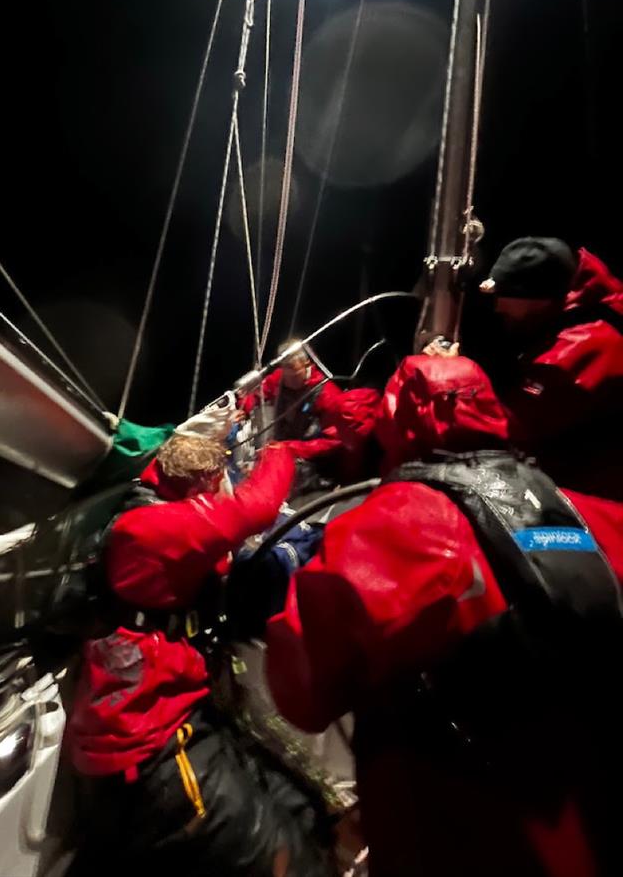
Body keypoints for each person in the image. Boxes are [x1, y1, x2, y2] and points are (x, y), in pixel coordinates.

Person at [266, 354, 623, 877]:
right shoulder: (587, 510)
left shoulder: (382, 532)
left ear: (394, 425)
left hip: (464, 833)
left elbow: (302, 693)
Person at [67, 431, 336, 876]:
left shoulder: (159, 506)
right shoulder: (151, 530)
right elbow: (257, 508)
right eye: (219, 481)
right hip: (148, 750)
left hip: (185, 717)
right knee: (287, 860)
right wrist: (281, 451)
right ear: (199, 488)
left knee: (304, 809)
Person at [479, 237, 623, 498]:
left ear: (536, 298)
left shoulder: (579, 352)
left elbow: (511, 429)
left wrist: (453, 380)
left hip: (594, 495)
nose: (498, 307)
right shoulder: (584, 310)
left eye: (505, 295)